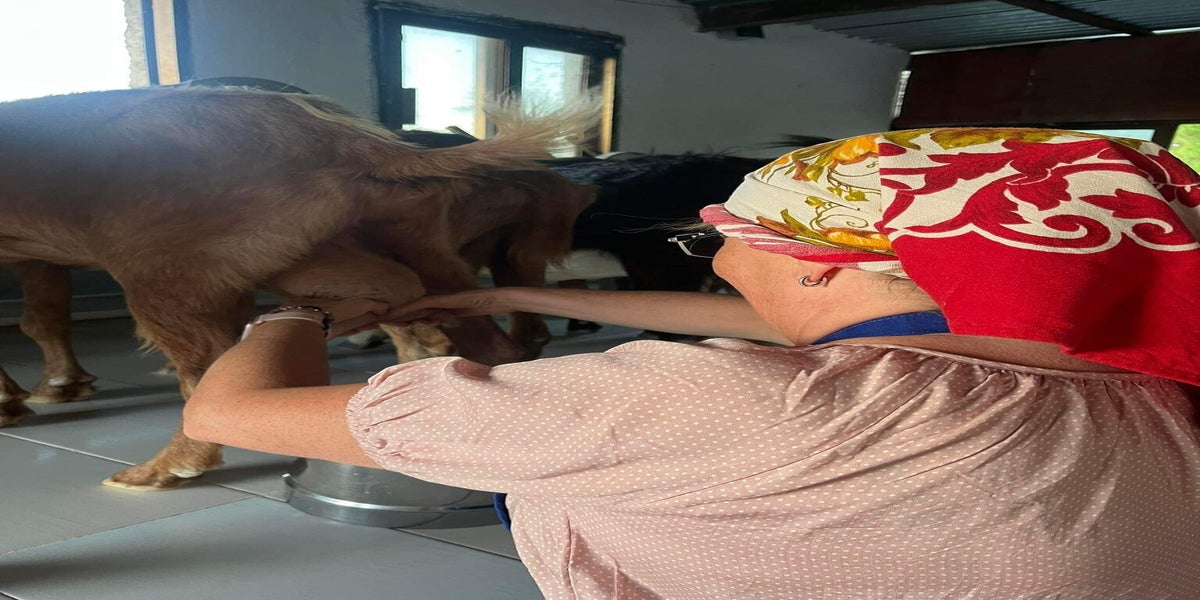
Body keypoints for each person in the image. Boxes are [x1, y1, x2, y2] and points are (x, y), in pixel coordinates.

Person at [184, 128, 1200, 599]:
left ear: (820, 263)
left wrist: (297, 305)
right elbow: (803, 334)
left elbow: (228, 411)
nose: (711, 259)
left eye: (719, 238)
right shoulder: (1138, 382)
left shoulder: (707, 404)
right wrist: (509, 298)